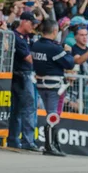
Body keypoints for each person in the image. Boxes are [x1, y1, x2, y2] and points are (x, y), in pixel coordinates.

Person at [31, 20, 75, 156]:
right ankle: (49, 146)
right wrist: (67, 52)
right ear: (55, 31)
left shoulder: (35, 45)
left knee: (53, 113)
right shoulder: (54, 48)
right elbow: (69, 64)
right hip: (54, 85)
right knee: (53, 115)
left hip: (40, 84)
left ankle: (54, 144)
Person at [8, 11, 42, 151]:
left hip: (24, 75)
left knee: (18, 109)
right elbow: (29, 58)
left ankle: (14, 140)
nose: (33, 26)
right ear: (24, 21)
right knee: (28, 108)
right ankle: (27, 141)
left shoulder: (27, 38)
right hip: (22, 75)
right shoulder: (16, 37)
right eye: (32, 23)